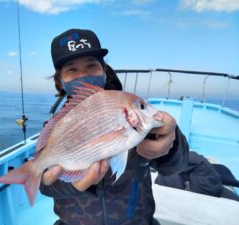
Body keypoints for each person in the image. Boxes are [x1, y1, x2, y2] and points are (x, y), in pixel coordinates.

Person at [39, 28, 189, 225]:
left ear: (104, 69)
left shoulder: (130, 112)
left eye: (92, 66)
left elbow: (175, 167)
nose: (83, 75)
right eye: (72, 69)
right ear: (60, 80)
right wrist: (74, 185)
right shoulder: (57, 126)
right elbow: (45, 186)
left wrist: (172, 142)